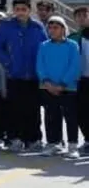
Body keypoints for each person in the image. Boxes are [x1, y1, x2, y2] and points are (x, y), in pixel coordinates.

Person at [0, 0, 48, 153]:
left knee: (33, 109)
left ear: (29, 10)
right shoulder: (6, 26)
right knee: (15, 108)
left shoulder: (37, 27)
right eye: (17, 9)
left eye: (24, 9)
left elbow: (45, 47)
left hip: (34, 75)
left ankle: (33, 139)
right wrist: (8, 62)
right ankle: (15, 138)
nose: (20, 12)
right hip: (14, 74)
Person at [36, 16, 81, 157]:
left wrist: (62, 84)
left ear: (63, 29)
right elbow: (40, 65)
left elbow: (74, 66)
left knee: (70, 116)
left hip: (68, 87)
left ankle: (72, 146)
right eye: (50, 28)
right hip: (47, 87)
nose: (52, 30)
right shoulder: (43, 46)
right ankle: (53, 143)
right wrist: (47, 83)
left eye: (56, 27)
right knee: (51, 116)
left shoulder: (72, 45)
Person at [71, 7, 89, 157]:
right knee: (82, 112)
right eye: (78, 16)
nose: (82, 18)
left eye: (85, 15)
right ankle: (88, 139)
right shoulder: (73, 38)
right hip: (81, 80)